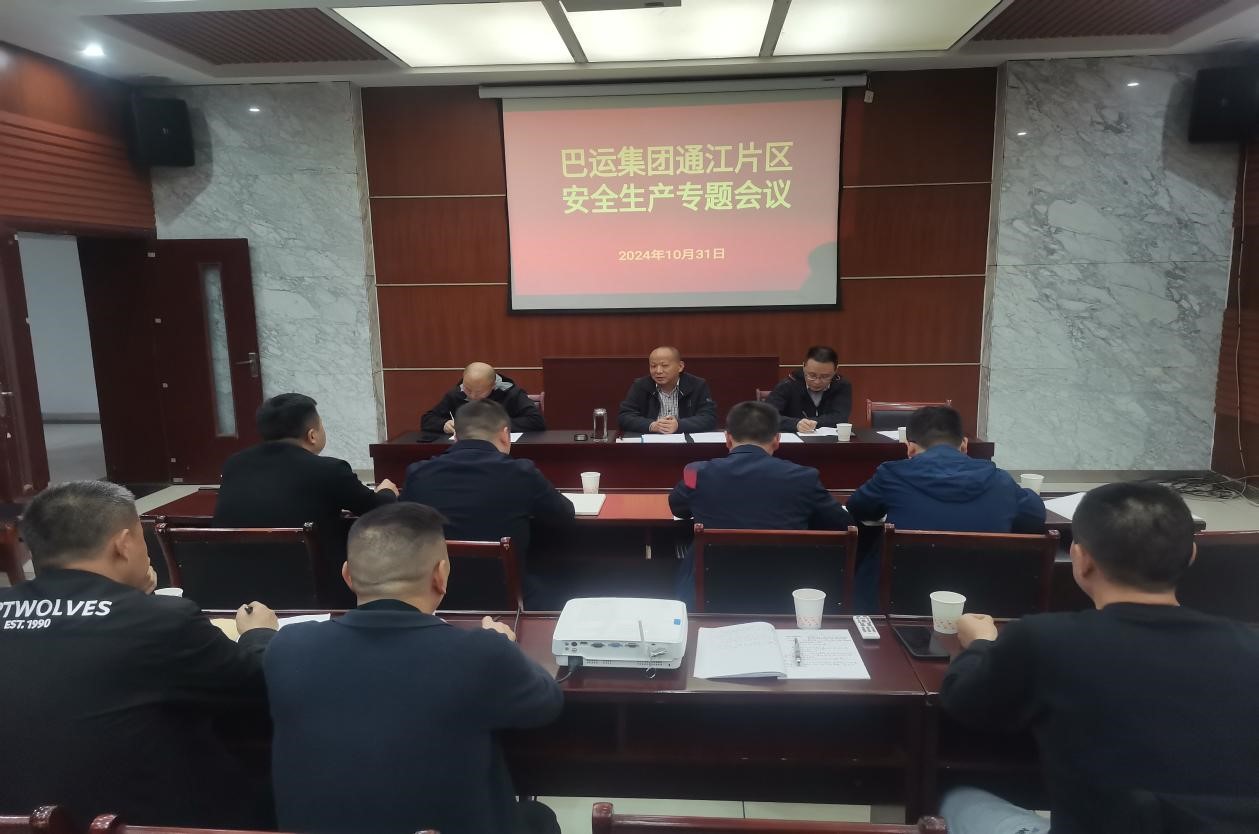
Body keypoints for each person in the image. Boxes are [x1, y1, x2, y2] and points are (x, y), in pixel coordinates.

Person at [939, 482, 1259, 834]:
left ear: (1082, 559)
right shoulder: (1250, 647)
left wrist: (981, 643)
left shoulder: (1045, 639)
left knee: (957, 798)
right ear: (1192, 554)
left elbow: (963, 702)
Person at [265, 502, 564, 834]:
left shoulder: (287, 647)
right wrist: (505, 645)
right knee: (537, 818)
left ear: (348, 576)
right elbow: (547, 703)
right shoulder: (481, 653)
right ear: (440, 575)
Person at [0, 481, 279, 828]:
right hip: (133, 822)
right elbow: (259, 686)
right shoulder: (163, 621)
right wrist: (258, 634)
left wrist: (137, 600)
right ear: (124, 543)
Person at [214, 393, 398, 606]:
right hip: (314, 593)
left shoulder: (234, 464)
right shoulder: (329, 470)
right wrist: (387, 491)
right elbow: (380, 511)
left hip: (236, 592)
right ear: (312, 435)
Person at [669, 401, 852, 605]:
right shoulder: (804, 477)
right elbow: (843, 524)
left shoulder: (696, 473)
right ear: (777, 440)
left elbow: (678, 508)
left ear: (727, 438)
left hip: (708, 593)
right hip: (785, 594)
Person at [401, 400, 574, 606]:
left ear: (455, 436)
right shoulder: (521, 473)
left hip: (435, 598)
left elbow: (401, 528)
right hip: (508, 598)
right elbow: (564, 514)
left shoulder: (418, 473)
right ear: (505, 435)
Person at [846, 405, 1044, 534]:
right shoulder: (1000, 481)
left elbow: (857, 508)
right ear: (964, 445)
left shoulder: (891, 475)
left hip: (902, 584)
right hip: (984, 584)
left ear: (910, 448)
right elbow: (1035, 516)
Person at [420, 362, 545, 436]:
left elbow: (536, 421)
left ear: (493, 386)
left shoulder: (512, 393)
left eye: (479, 392)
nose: (472, 396)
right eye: (468, 389)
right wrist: (443, 424)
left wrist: (492, 426)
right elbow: (427, 419)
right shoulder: (456, 394)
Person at [618, 346, 717, 434]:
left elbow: (709, 418)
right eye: (653, 366)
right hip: (651, 442)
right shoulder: (640, 386)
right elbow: (625, 417)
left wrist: (679, 425)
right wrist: (652, 425)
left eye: (664, 365)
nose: (658, 371)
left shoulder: (697, 385)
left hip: (685, 442)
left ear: (680, 366)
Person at [766, 345, 853, 434]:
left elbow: (840, 418)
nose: (817, 382)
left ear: (835, 370)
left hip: (830, 440)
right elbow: (767, 416)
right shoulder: (788, 384)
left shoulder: (842, 386)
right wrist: (796, 424)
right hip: (793, 439)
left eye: (825, 376)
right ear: (804, 367)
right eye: (812, 375)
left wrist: (812, 423)